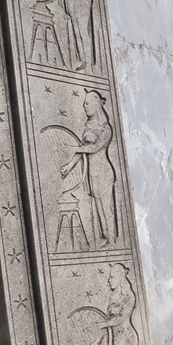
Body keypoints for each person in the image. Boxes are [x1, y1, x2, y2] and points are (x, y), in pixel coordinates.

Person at [59, 90, 118, 246]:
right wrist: (69, 165)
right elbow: (83, 149)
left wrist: (74, 148)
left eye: (87, 103)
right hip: (92, 174)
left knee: (106, 208)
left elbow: (93, 148)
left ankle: (111, 240)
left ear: (96, 103)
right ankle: (107, 239)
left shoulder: (106, 129)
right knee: (99, 208)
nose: (84, 106)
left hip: (104, 172)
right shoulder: (89, 125)